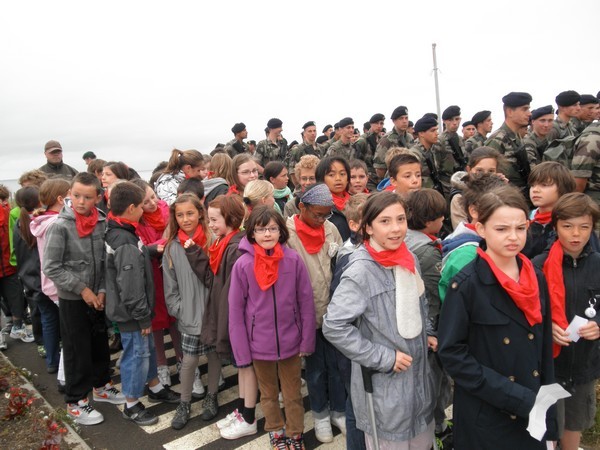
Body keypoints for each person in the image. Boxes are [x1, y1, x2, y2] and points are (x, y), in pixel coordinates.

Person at [438, 185, 557, 449]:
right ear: (481, 229)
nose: (512, 237)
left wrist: (549, 415)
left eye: (520, 228)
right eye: (501, 229)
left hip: (532, 407)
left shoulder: (535, 275)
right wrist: (512, 396)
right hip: (488, 413)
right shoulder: (467, 285)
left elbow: (543, 346)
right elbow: (452, 353)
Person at [323, 191, 436, 449]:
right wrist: (383, 357)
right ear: (369, 228)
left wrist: (428, 332)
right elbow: (334, 326)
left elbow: (421, 302)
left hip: (418, 385)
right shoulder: (360, 270)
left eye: (400, 219)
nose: (396, 229)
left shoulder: (410, 259)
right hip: (385, 392)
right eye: (385, 221)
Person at [229, 206, 316, 449]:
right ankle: (276, 431)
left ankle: (295, 433)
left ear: (281, 231)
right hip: (259, 344)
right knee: (267, 394)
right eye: (261, 229)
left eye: (272, 228)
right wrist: (242, 352)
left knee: (293, 394)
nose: (267, 234)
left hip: (291, 341)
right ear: (251, 233)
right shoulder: (244, 264)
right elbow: (235, 311)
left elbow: (306, 301)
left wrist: (307, 340)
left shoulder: (293, 259)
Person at [43, 172, 125, 425]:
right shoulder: (60, 225)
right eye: (76, 195)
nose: (81, 201)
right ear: (69, 194)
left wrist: (100, 290)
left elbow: (103, 260)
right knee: (77, 349)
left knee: (99, 342)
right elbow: (52, 267)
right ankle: (75, 401)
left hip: (97, 296)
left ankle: (101, 385)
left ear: (98, 197)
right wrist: (82, 289)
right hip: (73, 298)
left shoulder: (101, 222)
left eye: (87, 197)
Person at [104, 182, 180, 426]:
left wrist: (146, 250)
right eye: (141, 206)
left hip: (135, 312)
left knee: (145, 350)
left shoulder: (123, 231)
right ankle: (132, 403)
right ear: (131, 208)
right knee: (136, 355)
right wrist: (143, 316)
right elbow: (130, 284)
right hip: (132, 314)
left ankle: (154, 387)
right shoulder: (124, 240)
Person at [532, 193, 600, 450]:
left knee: (575, 421)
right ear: (555, 226)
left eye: (584, 227)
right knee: (548, 422)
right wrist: (546, 329)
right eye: (567, 226)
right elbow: (528, 313)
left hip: (585, 363)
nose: (576, 235)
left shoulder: (598, 264)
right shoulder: (539, 265)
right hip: (549, 365)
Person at [183, 195, 254, 439]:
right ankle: (244, 411)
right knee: (243, 368)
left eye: (214, 219)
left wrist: (226, 326)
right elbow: (214, 280)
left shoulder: (234, 247)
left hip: (237, 321)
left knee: (247, 367)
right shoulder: (223, 243)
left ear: (231, 218)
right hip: (231, 318)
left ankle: (248, 415)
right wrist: (194, 253)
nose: (210, 225)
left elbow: (233, 293)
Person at [286, 184, 344, 444]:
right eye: (317, 214)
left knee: (337, 364)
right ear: (302, 207)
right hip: (305, 315)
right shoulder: (287, 235)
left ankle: (339, 410)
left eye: (326, 215)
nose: (322, 220)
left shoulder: (330, 229)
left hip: (333, 312)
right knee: (315, 369)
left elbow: (341, 263)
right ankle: (320, 415)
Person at [162, 194, 213, 430]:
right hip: (189, 314)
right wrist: (179, 311)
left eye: (190, 213)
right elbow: (169, 286)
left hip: (212, 312)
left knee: (214, 356)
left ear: (200, 213)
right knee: (189, 360)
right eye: (180, 215)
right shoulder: (172, 247)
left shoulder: (212, 240)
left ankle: (211, 396)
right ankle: (184, 402)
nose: (185, 219)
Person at [129, 178, 184, 389]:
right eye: (146, 201)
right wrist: (163, 242)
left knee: (175, 319)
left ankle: (182, 360)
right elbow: (143, 247)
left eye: (153, 196)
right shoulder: (138, 222)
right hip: (152, 277)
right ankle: (161, 364)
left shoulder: (167, 211)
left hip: (172, 273)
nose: (152, 203)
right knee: (157, 323)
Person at [30, 179, 71, 372]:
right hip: (62, 283)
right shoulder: (57, 223)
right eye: (72, 194)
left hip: (49, 282)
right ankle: (66, 376)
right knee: (71, 332)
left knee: (58, 327)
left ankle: (58, 367)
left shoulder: (41, 221)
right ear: (61, 198)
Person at [12, 187, 45, 353]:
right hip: (40, 274)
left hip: (27, 275)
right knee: (47, 314)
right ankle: (49, 343)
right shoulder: (38, 223)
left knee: (36, 311)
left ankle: (41, 344)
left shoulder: (19, 224)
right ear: (39, 201)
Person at [523, 162, 576, 259]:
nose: (535, 190)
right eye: (532, 185)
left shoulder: (574, 222)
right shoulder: (525, 220)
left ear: (562, 188)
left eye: (544, 185)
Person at [485, 92, 534, 190]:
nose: (529, 113)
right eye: (524, 109)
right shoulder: (498, 140)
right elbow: (486, 177)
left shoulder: (517, 137)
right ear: (510, 112)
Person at [449, 146, 504, 228]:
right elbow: (462, 232)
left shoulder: (501, 191)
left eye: (491, 171)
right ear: (469, 170)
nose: (485, 175)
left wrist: (504, 190)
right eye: (479, 170)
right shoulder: (459, 197)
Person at [315, 156, 351, 240]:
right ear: (322, 179)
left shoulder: (357, 203)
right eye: (331, 175)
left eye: (342, 174)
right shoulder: (318, 208)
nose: (338, 179)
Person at [374, 106, 414, 180]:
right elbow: (380, 169)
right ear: (394, 121)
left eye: (406, 118)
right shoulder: (386, 140)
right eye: (401, 118)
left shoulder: (410, 137)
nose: (404, 121)